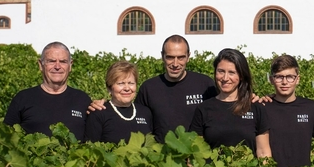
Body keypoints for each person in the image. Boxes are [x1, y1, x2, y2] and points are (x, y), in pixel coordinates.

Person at [89, 35, 217, 142]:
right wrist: (104, 104)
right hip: (161, 162)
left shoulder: (205, 84)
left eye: (181, 57)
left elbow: (217, 117)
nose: (175, 63)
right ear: (162, 56)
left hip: (196, 161)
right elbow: (131, 114)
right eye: (170, 57)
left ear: (188, 56)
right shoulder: (149, 88)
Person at [189, 48, 271, 158]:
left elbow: (263, 153)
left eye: (232, 72)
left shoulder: (255, 107)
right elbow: (195, 155)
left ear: (241, 76)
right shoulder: (204, 109)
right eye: (221, 71)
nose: (225, 78)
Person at [4, 42, 91, 138]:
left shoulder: (82, 99)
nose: (57, 67)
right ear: (41, 65)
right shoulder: (23, 98)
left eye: (63, 62)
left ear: (70, 66)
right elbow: (6, 138)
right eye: (51, 61)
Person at [263, 55, 314, 167]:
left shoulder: (310, 107)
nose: (284, 82)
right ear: (271, 80)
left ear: (297, 79)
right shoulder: (263, 107)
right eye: (279, 77)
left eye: (290, 77)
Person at [84, 61, 153, 143]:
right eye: (121, 83)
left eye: (131, 83)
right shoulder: (98, 114)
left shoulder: (145, 112)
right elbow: (90, 150)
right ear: (109, 88)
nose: (127, 88)